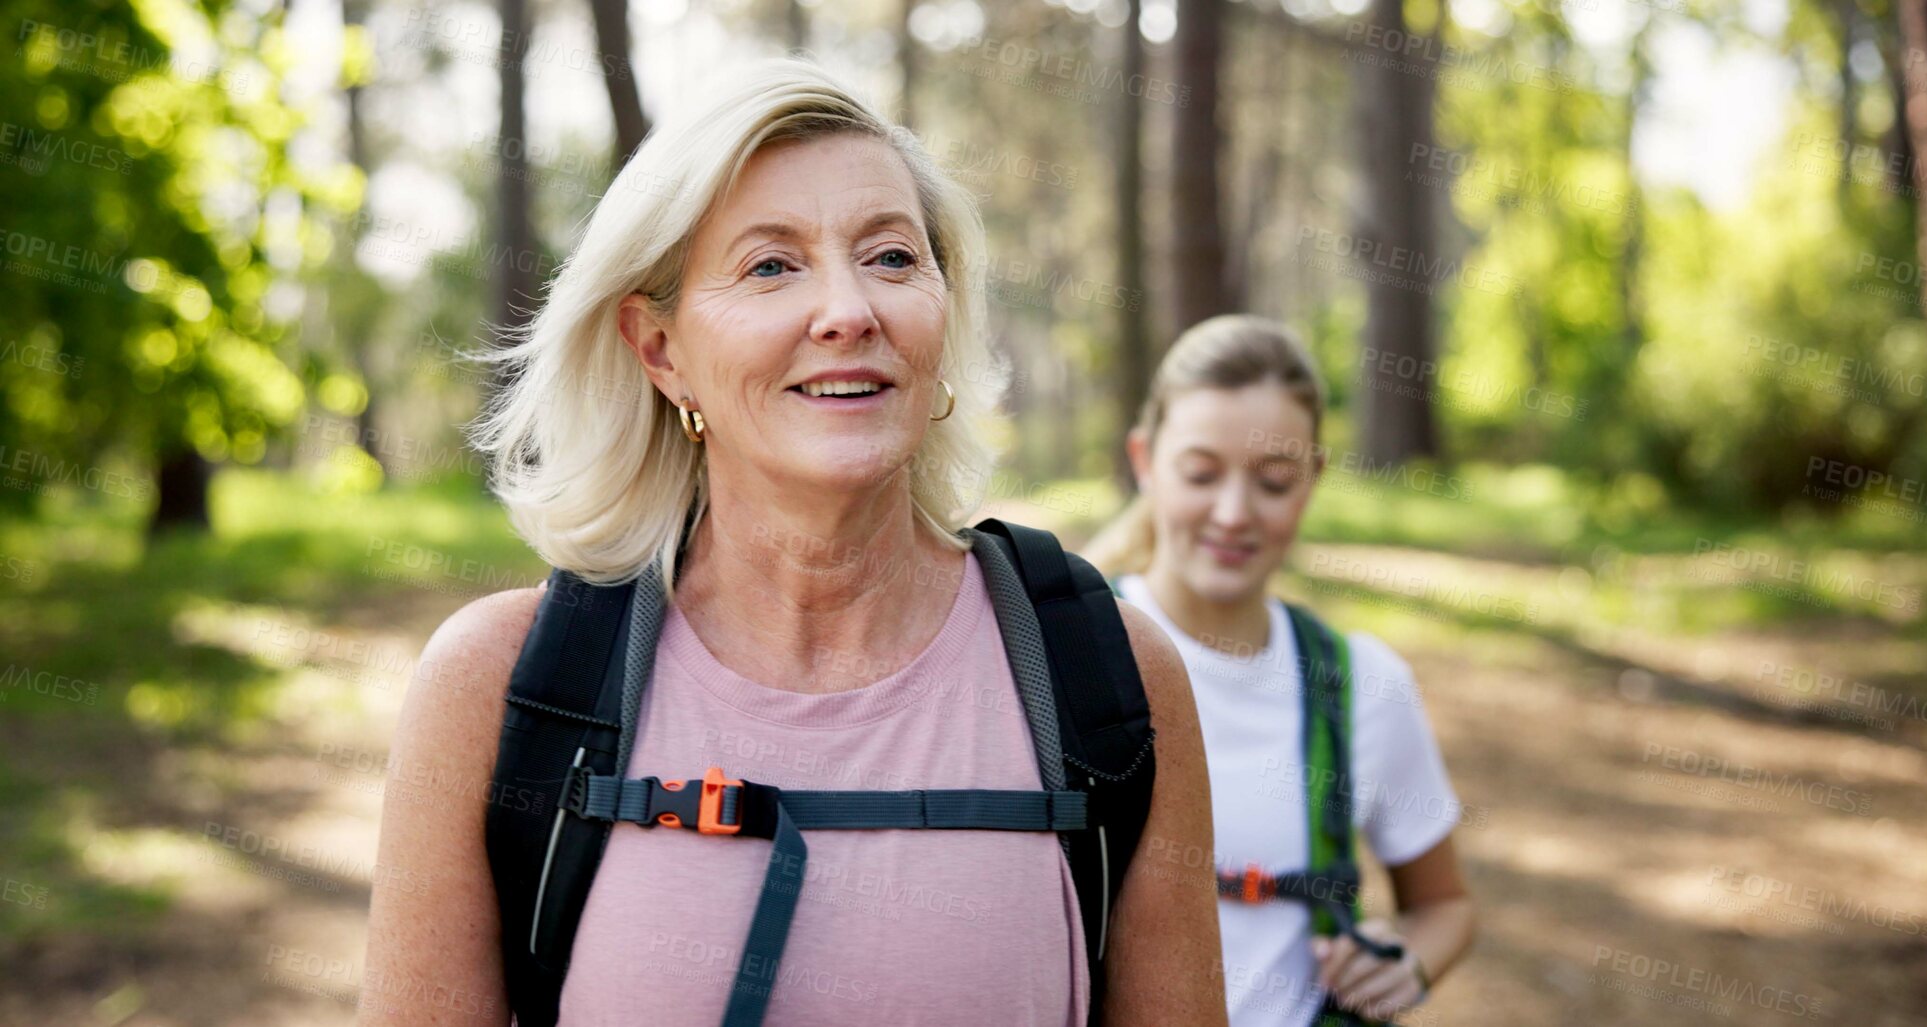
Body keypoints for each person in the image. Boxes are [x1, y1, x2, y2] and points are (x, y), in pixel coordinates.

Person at [359, 59, 1225, 1026]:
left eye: (890, 257)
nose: (850, 311)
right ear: (660, 351)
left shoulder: (1108, 675)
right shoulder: (496, 686)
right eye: (770, 266)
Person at [1083, 315, 1476, 1025]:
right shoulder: (1068, 650)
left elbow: (1444, 905)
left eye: (1273, 480)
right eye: (1201, 474)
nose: (1234, 513)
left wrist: (1404, 965)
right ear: (1144, 460)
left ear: (1313, 477)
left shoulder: (1362, 684)